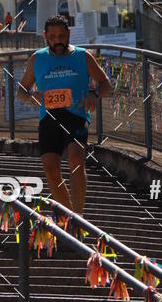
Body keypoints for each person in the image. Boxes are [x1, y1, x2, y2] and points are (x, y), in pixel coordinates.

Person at [17, 15, 112, 215]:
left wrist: (94, 94)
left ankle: (78, 216)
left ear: (68, 34)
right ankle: (69, 218)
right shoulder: (37, 58)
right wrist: (31, 97)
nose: (57, 41)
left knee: (76, 159)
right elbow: (21, 91)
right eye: (52, 37)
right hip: (48, 117)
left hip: (75, 115)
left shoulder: (83, 56)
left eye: (61, 36)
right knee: (50, 169)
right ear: (45, 36)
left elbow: (106, 84)